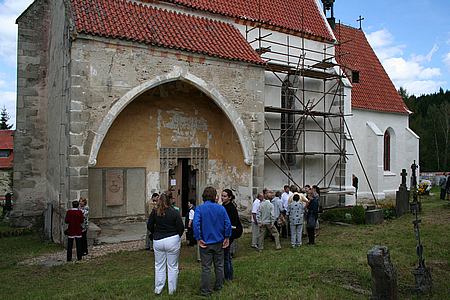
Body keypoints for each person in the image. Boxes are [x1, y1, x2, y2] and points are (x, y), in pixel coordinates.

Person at [193, 187, 231, 296]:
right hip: (218, 241)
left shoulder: (200, 209)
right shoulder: (221, 209)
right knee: (219, 265)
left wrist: (198, 238)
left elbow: (196, 224)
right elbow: (227, 224)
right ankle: (219, 286)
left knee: (206, 267)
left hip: (205, 242)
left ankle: (206, 290)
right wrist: (227, 237)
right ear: (215, 196)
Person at [147, 193, 184, 296]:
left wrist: (155, 233)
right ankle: (172, 290)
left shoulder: (155, 212)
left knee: (159, 266)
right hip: (172, 239)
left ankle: (158, 289)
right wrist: (177, 236)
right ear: (170, 200)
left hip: (158, 240)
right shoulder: (174, 212)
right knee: (172, 266)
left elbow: (149, 225)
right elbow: (180, 227)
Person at [221, 189, 243, 281]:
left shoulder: (231, 208)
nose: (222, 198)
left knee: (226, 256)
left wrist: (227, 236)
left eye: (225, 196)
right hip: (227, 232)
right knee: (226, 255)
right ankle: (228, 275)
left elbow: (232, 224)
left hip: (231, 232)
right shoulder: (223, 206)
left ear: (230, 197)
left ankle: (228, 277)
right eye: (222, 195)